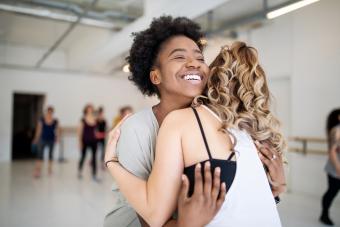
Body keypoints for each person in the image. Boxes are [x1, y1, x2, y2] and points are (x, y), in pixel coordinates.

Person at [104, 16, 286, 227]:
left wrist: (276, 187)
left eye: (200, 59)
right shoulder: (139, 128)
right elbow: (150, 218)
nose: (194, 64)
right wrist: (111, 163)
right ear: (155, 77)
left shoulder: (216, 121)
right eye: (179, 57)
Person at [320, 108, 340, 226]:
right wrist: (338, 168)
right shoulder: (336, 130)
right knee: (331, 192)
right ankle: (324, 215)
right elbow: (332, 152)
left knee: (332, 192)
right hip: (335, 168)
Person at [32, 106, 60, 178]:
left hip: (51, 139)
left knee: (51, 155)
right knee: (39, 155)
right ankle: (38, 171)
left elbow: (57, 130)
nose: (49, 113)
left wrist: (57, 137)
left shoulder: (55, 121)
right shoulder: (41, 120)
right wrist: (36, 138)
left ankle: (50, 170)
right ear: (46, 112)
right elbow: (39, 130)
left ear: (52, 113)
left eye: (51, 112)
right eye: (48, 112)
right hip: (42, 139)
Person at [78, 104, 99, 181]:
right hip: (85, 141)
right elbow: (80, 131)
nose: (90, 110)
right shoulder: (83, 120)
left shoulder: (96, 119)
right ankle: (79, 171)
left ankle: (94, 174)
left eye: (91, 109)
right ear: (86, 110)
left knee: (94, 158)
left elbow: (97, 130)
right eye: (88, 109)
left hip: (94, 141)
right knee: (83, 156)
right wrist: (80, 142)